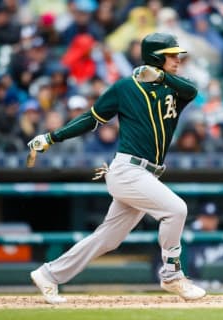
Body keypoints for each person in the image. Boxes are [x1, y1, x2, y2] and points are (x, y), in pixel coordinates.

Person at [27, 32, 206, 303]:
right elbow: (91, 119)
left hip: (148, 173)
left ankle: (49, 273)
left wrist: (160, 76)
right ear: (157, 57)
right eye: (170, 55)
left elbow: (192, 90)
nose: (177, 60)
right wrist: (52, 137)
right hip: (128, 170)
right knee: (176, 209)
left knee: (107, 239)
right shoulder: (125, 88)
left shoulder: (174, 87)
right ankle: (172, 275)